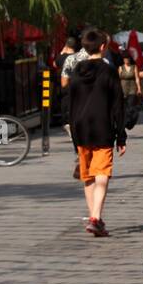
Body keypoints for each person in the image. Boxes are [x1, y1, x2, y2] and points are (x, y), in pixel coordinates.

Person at [68, 27, 127, 238]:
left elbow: (71, 105)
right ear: (103, 47)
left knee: (88, 176)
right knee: (102, 174)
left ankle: (95, 216)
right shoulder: (108, 70)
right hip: (102, 128)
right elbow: (117, 105)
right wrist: (121, 135)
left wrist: (74, 135)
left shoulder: (76, 70)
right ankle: (95, 218)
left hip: (81, 130)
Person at [60, 36, 89, 179]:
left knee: (77, 131)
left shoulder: (70, 59)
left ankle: (81, 160)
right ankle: (88, 163)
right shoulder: (99, 60)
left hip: (75, 101)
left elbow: (64, 83)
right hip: (94, 102)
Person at [119, 50, 143, 129]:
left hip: (132, 89)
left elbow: (137, 78)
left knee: (131, 106)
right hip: (123, 89)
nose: (126, 60)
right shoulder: (120, 67)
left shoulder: (134, 67)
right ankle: (125, 121)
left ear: (130, 59)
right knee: (124, 107)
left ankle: (129, 121)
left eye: (127, 59)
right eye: (124, 59)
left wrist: (139, 88)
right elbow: (118, 79)